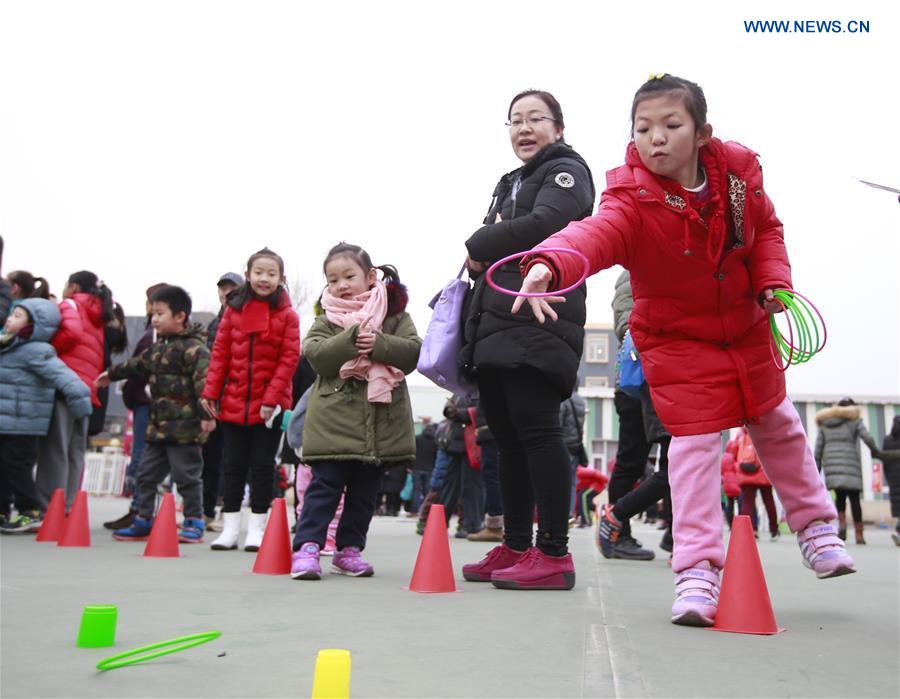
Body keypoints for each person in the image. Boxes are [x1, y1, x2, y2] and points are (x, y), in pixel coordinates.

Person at [513, 73, 854, 625]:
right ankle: (696, 572)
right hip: (678, 342)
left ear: (701, 133)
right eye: (642, 127)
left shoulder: (738, 180)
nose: (656, 138)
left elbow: (768, 233)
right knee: (692, 450)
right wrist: (548, 262)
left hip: (746, 330)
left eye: (671, 125)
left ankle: (816, 529)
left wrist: (773, 283)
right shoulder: (631, 199)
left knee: (780, 425)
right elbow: (593, 234)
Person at [460, 89, 595, 591]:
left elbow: (547, 224)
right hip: (497, 321)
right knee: (507, 441)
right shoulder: (511, 181)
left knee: (538, 433)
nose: (524, 128)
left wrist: (480, 240)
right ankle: (516, 545)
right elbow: (499, 250)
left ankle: (554, 551)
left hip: (540, 317)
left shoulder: (567, 170)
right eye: (515, 120)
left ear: (559, 127)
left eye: (536, 118)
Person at [290, 243, 421, 580]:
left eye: (349, 276)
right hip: (332, 423)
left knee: (364, 493)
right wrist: (350, 339)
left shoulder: (395, 317)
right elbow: (316, 356)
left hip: (378, 424)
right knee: (324, 488)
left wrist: (380, 344)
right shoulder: (326, 318)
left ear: (371, 276)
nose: (341, 285)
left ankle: (349, 550)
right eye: (333, 280)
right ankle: (307, 547)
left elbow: (413, 353)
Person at [96, 285, 213, 543]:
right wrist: (111, 374)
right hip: (158, 427)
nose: (154, 319)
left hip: (185, 429)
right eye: (153, 314)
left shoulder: (195, 349)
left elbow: (205, 386)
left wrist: (207, 416)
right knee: (146, 474)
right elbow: (137, 364)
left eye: (160, 314)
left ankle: (194, 521)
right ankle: (144, 519)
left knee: (187, 476)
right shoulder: (158, 348)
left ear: (180, 316)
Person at [201, 248, 300, 552]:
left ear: (281, 278)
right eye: (258, 272)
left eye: (271, 273)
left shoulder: (288, 315)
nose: (264, 278)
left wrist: (271, 399)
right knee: (232, 465)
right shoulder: (233, 312)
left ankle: (257, 528)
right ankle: (230, 529)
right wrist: (210, 392)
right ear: (248, 275)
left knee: (262, 466)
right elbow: (220, 354)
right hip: (233, 401)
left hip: (270, 406)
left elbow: (289, 359)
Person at [597, 271, 672, 560]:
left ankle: (675, 534)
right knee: (633, 460)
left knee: (673, 459)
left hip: (661, 379)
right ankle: (618, 531)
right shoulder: (633, 274)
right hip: (638, 383)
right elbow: (626, 325)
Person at [0, 299, 91, 532]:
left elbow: (65, 377)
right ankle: (2, 510)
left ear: (35, 325)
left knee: (16, 467)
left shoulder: (37, 351)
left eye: (18, 316)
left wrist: (80, 400)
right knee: (3, 467)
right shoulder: (6, 346)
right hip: (5, 421)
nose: (10, 320)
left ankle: (30, 510)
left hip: (22, 423)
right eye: (11, 314)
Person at [36, 270, 112, 509]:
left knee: (56, 447)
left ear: (74, 286)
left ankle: (50, 506)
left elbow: (71, 332)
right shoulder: (98, 314)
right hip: (87, 389)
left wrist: (49, 350)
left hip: (65, 382)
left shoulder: (70, 304)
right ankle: (68, 505)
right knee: (75, 450)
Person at [103, 282, 168, 530]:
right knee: (146, 456)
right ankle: (140, 508)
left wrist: (131, 392)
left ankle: (142, 509)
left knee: (144, 456)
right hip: (146, 402)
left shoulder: (154, 337)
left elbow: (138, 367)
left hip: (147, 403)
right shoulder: (152, 334)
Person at [200, 272, 243, 531]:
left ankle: (229, 513)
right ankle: (207, 511)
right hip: (216, 399)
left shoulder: (243, 319)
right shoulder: (215, 323)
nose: (226, 293)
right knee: (210, 457)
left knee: (233, 460)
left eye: (231, 288)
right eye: (222, 288)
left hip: (238, 398)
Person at [815, 398, 880, 544]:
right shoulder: (854, 421)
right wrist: (875, 451)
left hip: (832, 465)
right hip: (851, 463)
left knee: (840, 497)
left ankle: (842, 524)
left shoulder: (825, 423)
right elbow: (867, 437)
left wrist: (816, 469)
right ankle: (859, 534)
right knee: (855, 499)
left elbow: (818, 449)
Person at [881, 416, 900, 546]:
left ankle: (899, 530)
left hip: (893, 476)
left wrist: (888, 476)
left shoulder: (887, 440)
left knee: (898, 505)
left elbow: (885, 461)